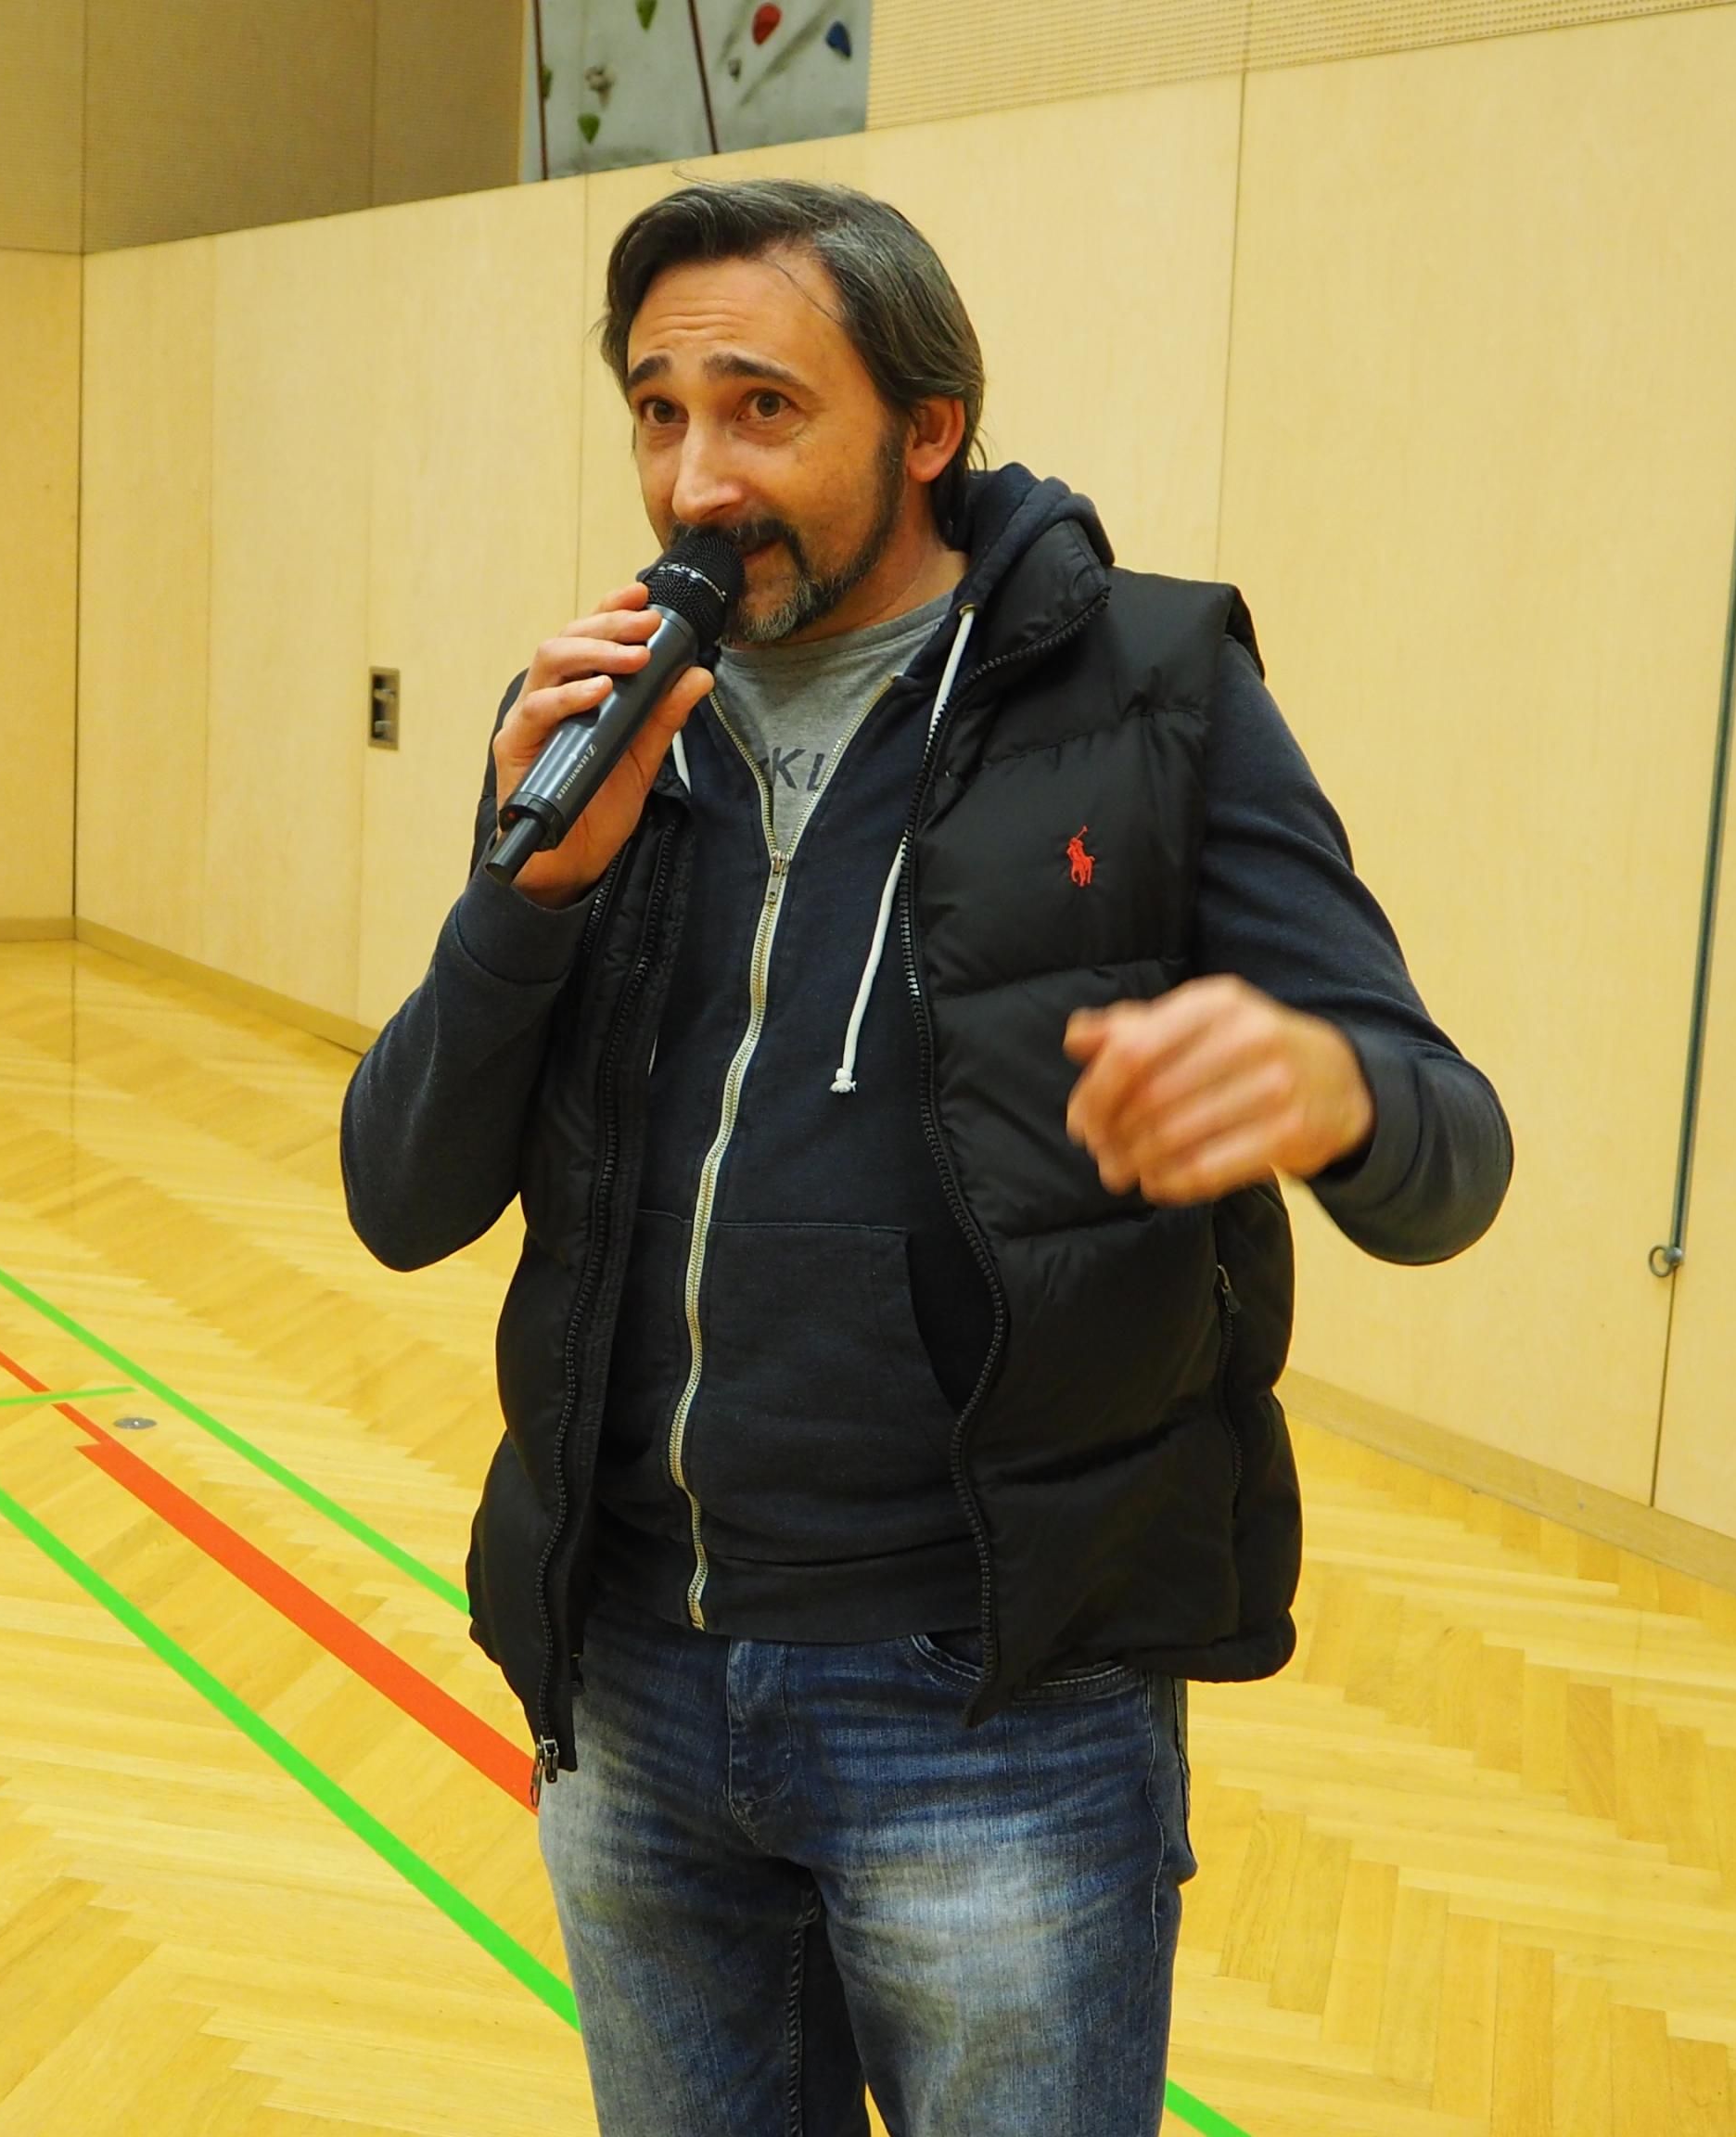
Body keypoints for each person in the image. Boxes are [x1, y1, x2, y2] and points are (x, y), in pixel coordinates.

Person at [340, 181, 1512, 2134]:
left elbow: (1450, 1145)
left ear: (927, 427)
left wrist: (1335, 1086)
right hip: (631, 1673)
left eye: (761, 409)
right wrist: (523, 899)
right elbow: (399, 1193)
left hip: (989, 1706)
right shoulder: (612, 719)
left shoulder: (1150, 695)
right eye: (656, 414)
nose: (694, 481)